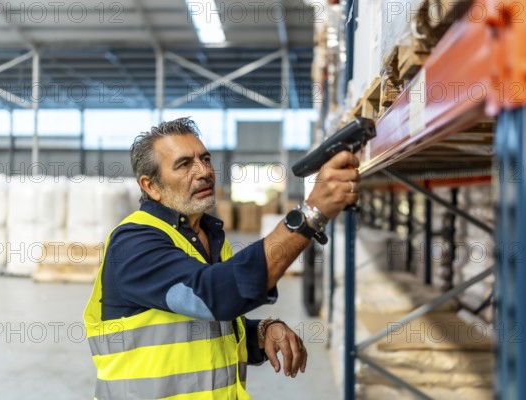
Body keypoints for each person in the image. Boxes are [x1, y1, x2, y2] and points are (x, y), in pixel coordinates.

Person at [83, 117, 361, 399]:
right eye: (184, 164)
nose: (204, 171)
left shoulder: (208, 236)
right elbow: (214, 297)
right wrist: (310, 214)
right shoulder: (134, 244)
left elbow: (207, 332)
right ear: (151, 186)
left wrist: (263, 331)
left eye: (205, 159)